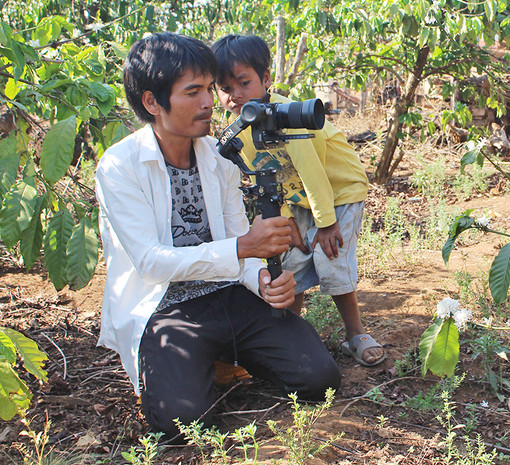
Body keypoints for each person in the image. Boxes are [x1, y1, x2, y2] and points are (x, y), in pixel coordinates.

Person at [95, 32, 341, 440]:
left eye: (209, 89)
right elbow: (151, 263)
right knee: (183, 424)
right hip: (165, 308)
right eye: (193, 92)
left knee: (320, 378)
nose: (209, 102)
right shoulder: (120, 166)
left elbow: (236, 240)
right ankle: (205, 358)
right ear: (152, 102)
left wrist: (261, 281)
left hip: (227, 293)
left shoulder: (218, 156)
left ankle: (220, 354)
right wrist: (244, 247)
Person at [212, 34, 384, 367]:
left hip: (339, 192)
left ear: (266, 79)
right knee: (292, 262)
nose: (234, 96)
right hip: (300, 198)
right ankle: (287, 337)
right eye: (224, 88)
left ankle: (355, 333)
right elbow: (268, 177)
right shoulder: (239, 129)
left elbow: (313, 172)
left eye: (244, 83)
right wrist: (288, 220)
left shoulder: (287, 117)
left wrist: (326, 224)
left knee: (330, 256)